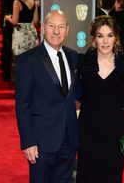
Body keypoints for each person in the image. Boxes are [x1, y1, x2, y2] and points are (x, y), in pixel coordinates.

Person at [15, 10, 80, 183]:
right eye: (51, 26)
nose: (56, 31)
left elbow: (78, 94)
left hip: (69, 139)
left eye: (61, 27)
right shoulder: (27, 60)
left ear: (67, 30)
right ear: (43, 27)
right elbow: (22, 104)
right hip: (41, 142)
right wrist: (28, 141)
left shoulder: (73, 56)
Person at [76, 15, 124, 183]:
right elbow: (75, 98)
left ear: (116, 38)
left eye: (110, 35)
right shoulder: (83, 63)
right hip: (87, 131)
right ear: (94, 39)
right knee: (87, 175)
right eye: (100, 36)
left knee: (112, 176)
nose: (105, 41)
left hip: (114, 131)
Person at [4, 0, 39, 82]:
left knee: (20, 59)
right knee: (31, 58)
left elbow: (15, 21)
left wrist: (7, 18)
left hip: (21, 33)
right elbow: (35, 20)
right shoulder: (34, 2)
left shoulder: (17, 2)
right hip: (31, 32)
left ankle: (21, 81)